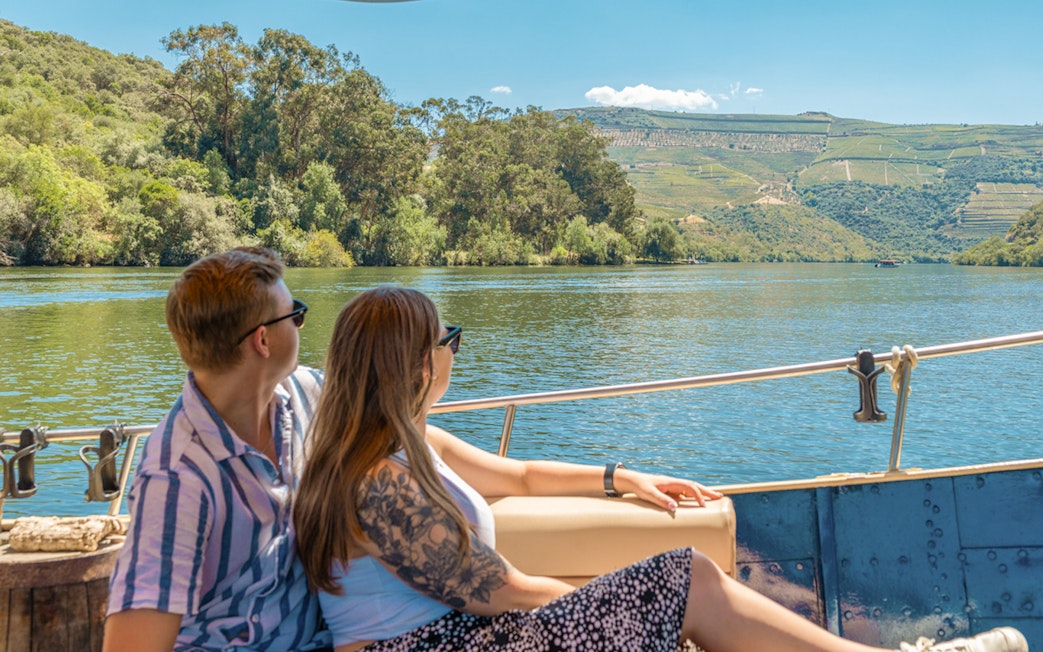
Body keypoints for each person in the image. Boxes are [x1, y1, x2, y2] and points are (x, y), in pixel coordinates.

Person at [294, 286, 1028, 652]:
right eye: (450, 338)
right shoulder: (376, 476)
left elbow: (517, 478)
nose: (456, 350)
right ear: (420, 360)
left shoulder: (403, 439)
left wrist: (621, 476)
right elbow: (497, 592)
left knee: (673, 584)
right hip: (432, 648)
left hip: (456, 636)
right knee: (680, 579)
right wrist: (637, 608)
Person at [105, 247, 331, 651]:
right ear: (263, 340)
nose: (300, 324)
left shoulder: (301, 394)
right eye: (295, 314)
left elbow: (385, 409)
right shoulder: (177, 480)